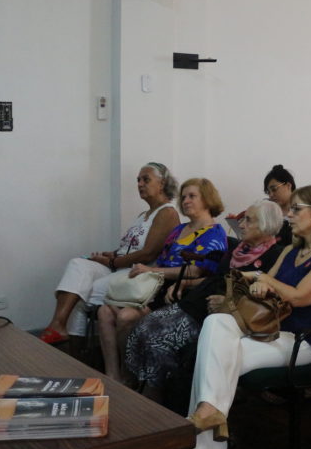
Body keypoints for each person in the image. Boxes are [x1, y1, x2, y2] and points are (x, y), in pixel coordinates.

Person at [169, 185, 311, 449]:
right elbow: (264, 283)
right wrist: (259, 281)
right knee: (215, 325)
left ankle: (207, 446)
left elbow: (299, 296)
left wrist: (265, 280)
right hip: (272, 331)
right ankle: (209, 418)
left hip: (304, 342)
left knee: (215, 354)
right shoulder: (291, 249)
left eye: (296, 209)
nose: (289, 215)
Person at [124, 200, 284, 411]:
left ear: (266, 225)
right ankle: (148, 388)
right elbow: (215, 278)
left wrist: (227, 303)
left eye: (248, 220)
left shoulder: (275, 255)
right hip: (198, 302)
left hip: (218, 317)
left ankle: (160, 399)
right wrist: (186, 283)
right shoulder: (238, 249)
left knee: (157, 339)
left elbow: (265, 296)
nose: (241, 224)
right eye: (243, 218)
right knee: (143, 327)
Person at [91, 178, 228, 380]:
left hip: (178, 293)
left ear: (207, 199)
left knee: (126, 317)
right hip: (154, 284)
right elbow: (161, 262)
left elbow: (196, 271)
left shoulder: (215, 233)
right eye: (183, 197)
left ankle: (128, 376)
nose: (186, 201)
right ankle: (113, 374)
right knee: (104, 312)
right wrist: (145, 272)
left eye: (192, 196)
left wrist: (152, 271)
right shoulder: (178, 230)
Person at [40, 162, 180, 343]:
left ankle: (75, 351)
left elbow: (147, 254)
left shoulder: (167, 213)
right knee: (77, 265)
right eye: (138, 180)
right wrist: (110, 255)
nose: (139, 184)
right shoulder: (142, 215)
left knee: (80, 293)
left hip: (138, 274)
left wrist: (112, 262)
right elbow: (130, 248)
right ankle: (57, 326)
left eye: (146, 179)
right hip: (120, 267)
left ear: (162, 184)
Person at [263, 164, 296, 244]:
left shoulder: (304, 211)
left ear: (288, 186)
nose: (271, 195)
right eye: (268, 192)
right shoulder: (268, 213)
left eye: (274, 189)